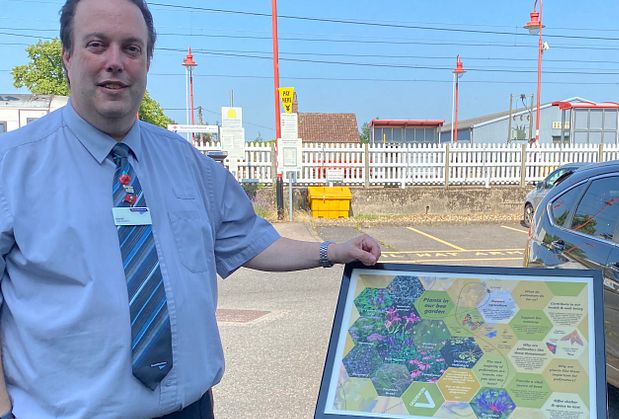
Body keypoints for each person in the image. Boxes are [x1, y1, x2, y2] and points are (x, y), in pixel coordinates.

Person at [0, 0, 381, 417]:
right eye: (96, 44)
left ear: (147, 60)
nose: (115, 62)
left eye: (131, 48)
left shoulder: (188, 164)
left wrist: (333, 251)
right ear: (68, 56)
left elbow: (248, 240)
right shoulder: (12, 168)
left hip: (192, 409)